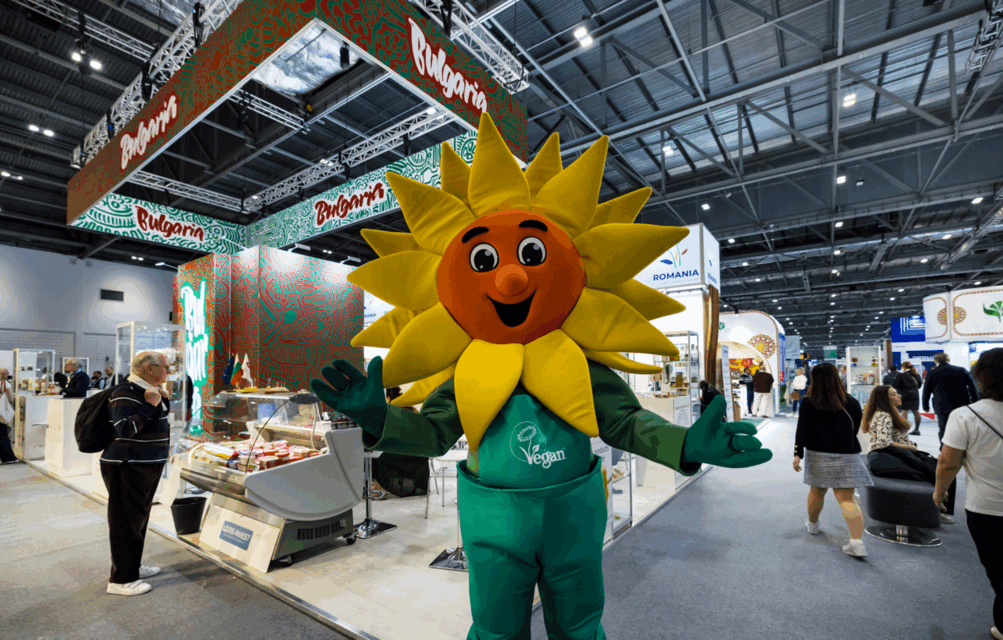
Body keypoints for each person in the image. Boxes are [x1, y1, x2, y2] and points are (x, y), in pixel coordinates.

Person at [309, 114, 772, 639]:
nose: (510, 279)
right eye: (484, 261)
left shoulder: (580, 361)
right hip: (495, 520)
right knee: (495, 630)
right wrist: (379, 418)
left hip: (571, 516)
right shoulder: (466, 369)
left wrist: (684, 443)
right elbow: (435, 432)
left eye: (531, 255)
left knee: (579, 626)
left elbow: (627, 422)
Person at [935, 348, 1003, 640]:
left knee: (999, 570)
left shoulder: (966, 416)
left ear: (982, 377)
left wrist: (938, 493)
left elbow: (948, 462)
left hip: (988, 508)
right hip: (986, 508)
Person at [100, 351, 172, 596]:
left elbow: (156, 422)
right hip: (127, 464)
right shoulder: (124, 391)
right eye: (165, 366)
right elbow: (125, 429)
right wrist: (150, 405)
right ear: (146, 368)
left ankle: (132, 567)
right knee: (125, 522)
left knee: (138, 519)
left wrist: (158, 400)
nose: (169, 371)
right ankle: (121, 580)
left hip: (145, 463)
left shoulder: (147, 391)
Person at [793, 362, 872, 557]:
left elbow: (802, 430)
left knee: (817, 491)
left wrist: (797, 454)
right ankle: (856, 542)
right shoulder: (851, 402)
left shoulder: (809, 402)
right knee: (846, 498)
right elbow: (854, 430)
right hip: (847, 454)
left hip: (818, 454)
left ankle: (812, 525)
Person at [864, 384, 957, 521]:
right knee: (936, 471)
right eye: (894, 394)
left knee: (937, 470)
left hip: (889, 455)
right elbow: (884, 443)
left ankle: (940, 505)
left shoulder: (885, 413)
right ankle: (940, 507)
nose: (899, 396)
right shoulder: (884, 415)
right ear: (885, 398)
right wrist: (910, 448)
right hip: (886, 456)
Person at [924, 352, 980, 447]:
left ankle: (944, 449)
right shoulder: (961, 370)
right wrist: (975, 401)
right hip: (962, 404)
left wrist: (925, 406)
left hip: (941, 405)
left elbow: (926, 391)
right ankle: (963, 447)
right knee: (963, 427)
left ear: (935, 361)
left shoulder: (932, 373)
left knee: (943, 428)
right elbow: (972, 387)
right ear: (948, 359)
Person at [894, 361, 922, 435]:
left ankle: (904, 430)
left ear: (904, 367)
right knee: (916, 411)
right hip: (915, 394)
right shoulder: (916, 375)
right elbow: (919, 385)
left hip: (904, 394)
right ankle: (916, 430)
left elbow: (895, 385)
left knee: (904, 411)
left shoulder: (901, 375)